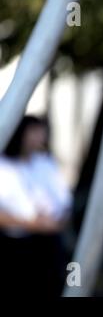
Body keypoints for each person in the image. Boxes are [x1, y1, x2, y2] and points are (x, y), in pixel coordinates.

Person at [0, 115, 73, 296]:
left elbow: (64, 202)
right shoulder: (4, 166)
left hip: (48, 243)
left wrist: (56, 222)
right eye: (33, 132)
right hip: (13, 246)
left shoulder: (45, 163)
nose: (39, 137)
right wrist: (32, 224)